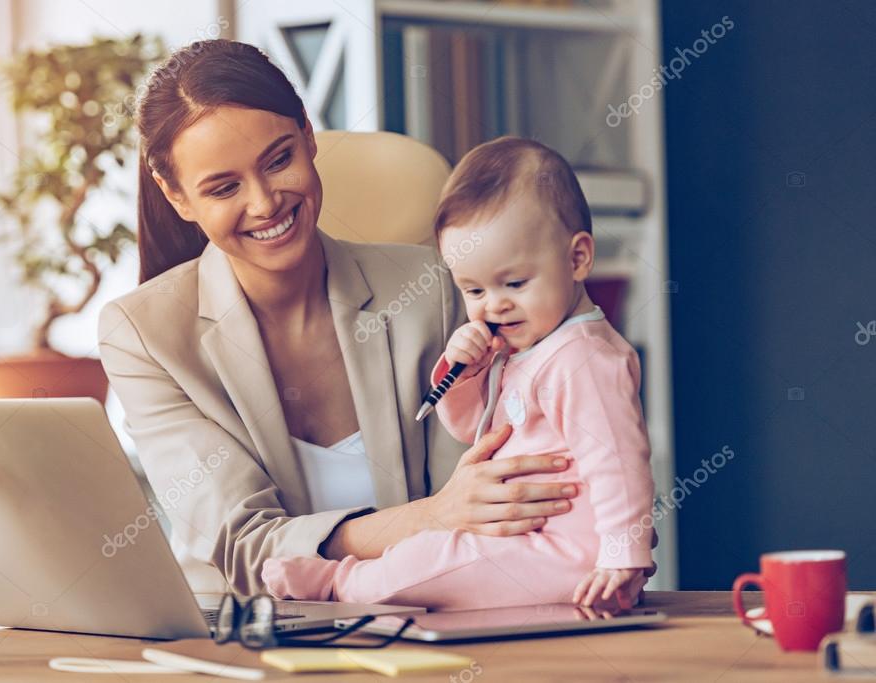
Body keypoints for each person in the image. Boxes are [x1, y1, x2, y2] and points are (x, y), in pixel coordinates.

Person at [97, 40, 591, 596]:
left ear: (308, 136)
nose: (264, 203)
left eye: (279, 159)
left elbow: (485, 498)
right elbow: (247, 546)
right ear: (178, 196)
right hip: (242, 641)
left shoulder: (435, 290)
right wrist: (430, 515)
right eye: (224, 187)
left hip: (430, 615)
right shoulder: (144, 334)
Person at [262, 138, 655, 609]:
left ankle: (338, 585)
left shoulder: (583, 359)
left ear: (577, 259)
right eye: (473, 290)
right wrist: (466, 376)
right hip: (517, 537)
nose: (494, 304)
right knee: (431, 552)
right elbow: (471, 428)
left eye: (514, 283)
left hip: (563, 553)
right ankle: (350, 577)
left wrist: (622, 556)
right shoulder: (526, 350)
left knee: (435, 565)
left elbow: (619, 462)